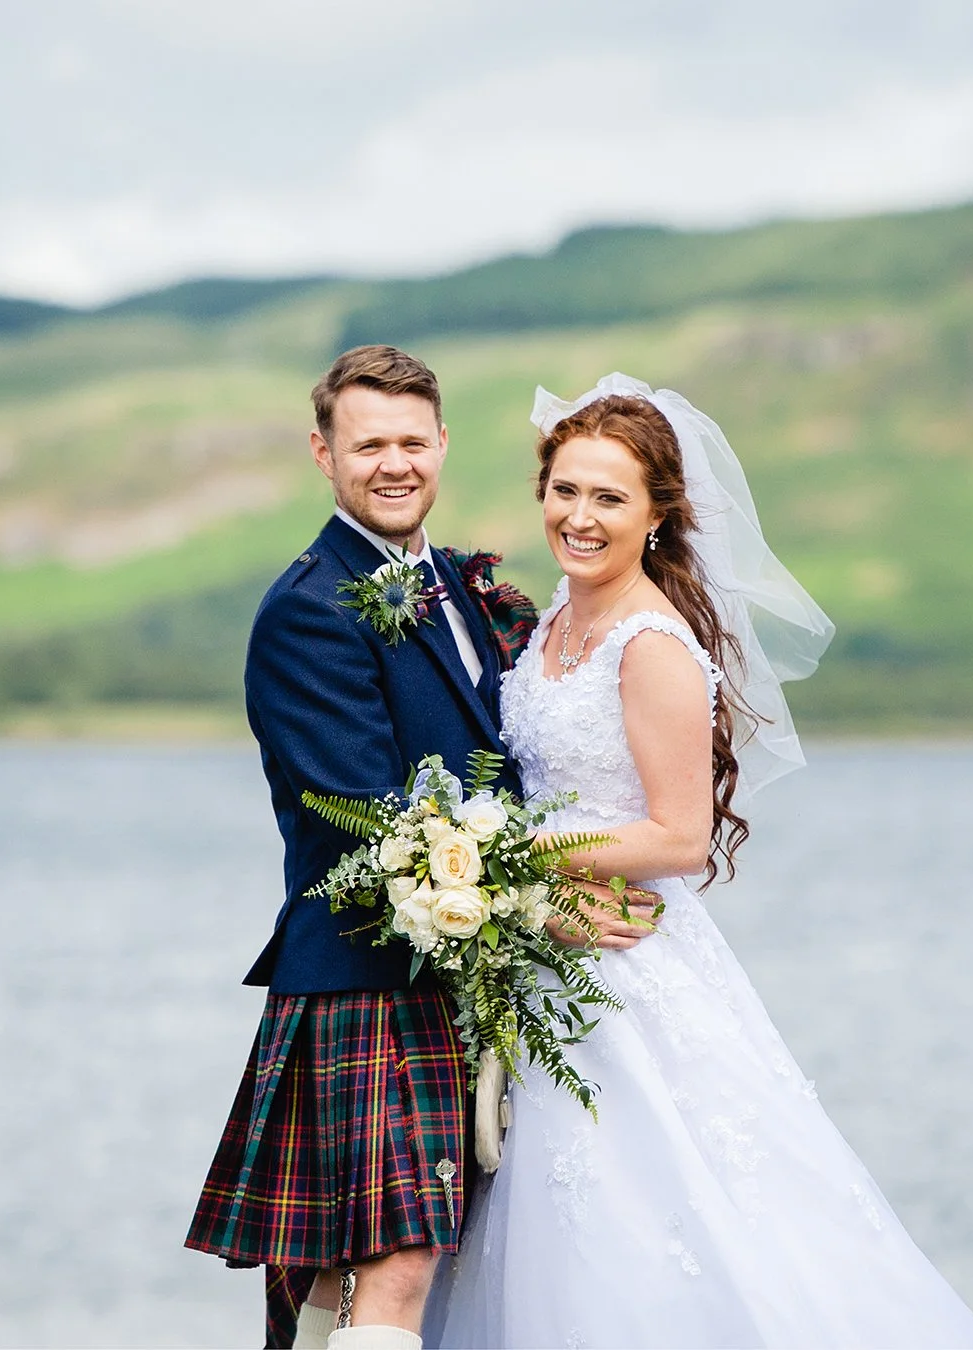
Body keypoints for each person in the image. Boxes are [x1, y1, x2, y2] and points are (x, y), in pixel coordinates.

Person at [425, 374, 973, 1348]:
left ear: (656, 516)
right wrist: (511, 880)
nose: (580, 516)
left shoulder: (651, 643)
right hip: (543, 953)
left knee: (657, 1220)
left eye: (609, 498)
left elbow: (680, 836)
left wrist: (507, 853)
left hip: (626, 965)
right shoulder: (556, 622)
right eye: (566, 490)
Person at [183, 346, 590, 1350]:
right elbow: (367, 814)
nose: (394, 462)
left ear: (443, 444)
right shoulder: (309, 610)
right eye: (369, 444)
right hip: (366, 971)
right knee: (400, 1261)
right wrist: (543, 903)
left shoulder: (461, 586)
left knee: (336, 1282)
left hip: (454, 974)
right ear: (324, 454)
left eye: (413, 441)